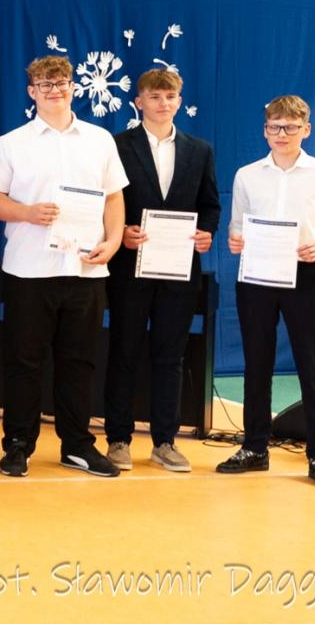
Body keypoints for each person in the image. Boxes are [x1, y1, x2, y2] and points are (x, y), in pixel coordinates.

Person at [0, 56, 127, 478]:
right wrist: (26, 213)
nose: (55, 90)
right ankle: (18, 445)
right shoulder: (12, 142)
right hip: (29, 270)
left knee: (79, 362)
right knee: (24, 362)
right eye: (45, 84)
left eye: (61, 82)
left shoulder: (100, 140)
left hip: (85, 269)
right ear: (32, 92)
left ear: (73, 87)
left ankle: (77, 445)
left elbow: (114, 197)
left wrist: (114, 241)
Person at [219, 95, 315, 488]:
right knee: (256, 363)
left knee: (313, 366)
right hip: (257, 275)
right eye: (275, 127)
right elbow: (237, 224)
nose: (282, 134)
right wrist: (235, 238)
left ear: (306, 129)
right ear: (265, 131)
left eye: (291, 127)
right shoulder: (247, 175)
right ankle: (254, 447)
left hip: (307, 275)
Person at [104, 69, 219, 474]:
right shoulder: (116, 146)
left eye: (170, 96)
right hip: (129, 268)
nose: (163, 103)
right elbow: (106, 199)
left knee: (170, 357)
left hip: (178, 270)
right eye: (154, 96)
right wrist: (121, 231)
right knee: (124, 351)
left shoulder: (199, 150)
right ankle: (118, 438)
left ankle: (165, 441)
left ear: (179, 101)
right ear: (139, 101)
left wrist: (206, 232)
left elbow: (210, 204)